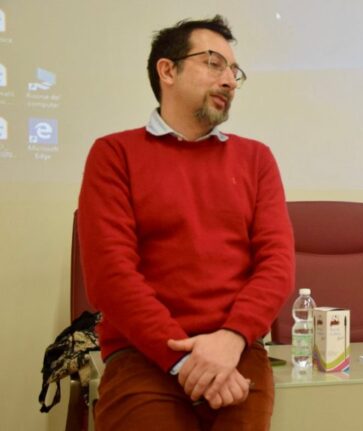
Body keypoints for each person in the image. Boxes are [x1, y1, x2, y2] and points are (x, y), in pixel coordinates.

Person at [77, 15, 294, 431]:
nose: (229, 81)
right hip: (142, 353)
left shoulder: (256, 159)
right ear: (167, 70)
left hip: (237, 351)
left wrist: (231, 339)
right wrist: (184, 360)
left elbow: (277, 264)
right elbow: (110, 276)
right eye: (214, 63)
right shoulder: (114, 154)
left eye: (234, 71)